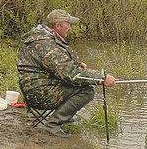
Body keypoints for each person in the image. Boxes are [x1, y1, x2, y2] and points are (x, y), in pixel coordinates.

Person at [17, 9, 116, 138]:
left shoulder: (45, 36)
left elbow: (61, 61)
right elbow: (72, 75)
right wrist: (102, 77)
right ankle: (52, 125)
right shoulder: (47, 45)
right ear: (58, 26)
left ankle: (64, 117)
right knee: (87, 91)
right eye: (68, 24)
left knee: (81, 85)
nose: (70, 28)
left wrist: (76, 62)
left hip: (36, 88)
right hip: (39, 94)